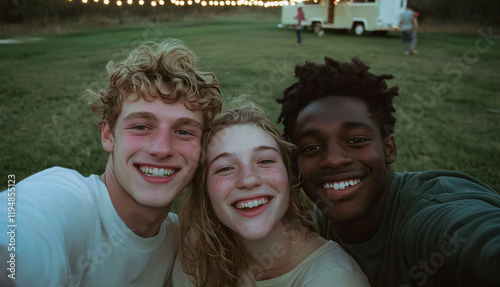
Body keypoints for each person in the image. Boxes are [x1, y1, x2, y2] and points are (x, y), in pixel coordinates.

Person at [0, 39, 222, 286]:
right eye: (140, 127)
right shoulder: (67, 200)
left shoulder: (178, 241)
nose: (161, 148)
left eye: (184, 132)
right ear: (108, 134)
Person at [276, 57, 500, 287]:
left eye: (356, 140)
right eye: (311, 147)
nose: (333, 160)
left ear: (389, 148)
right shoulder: (321, 218)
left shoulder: (430, 219)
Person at [172, 105, 370, 286]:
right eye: (224, 168)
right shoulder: (199, 251)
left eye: (265, 161)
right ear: (204, 191)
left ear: (290, 176)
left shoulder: (333, 279)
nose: (248, 180)